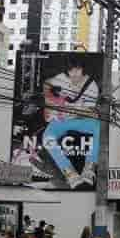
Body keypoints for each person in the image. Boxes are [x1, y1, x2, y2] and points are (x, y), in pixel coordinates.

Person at [41, 58, 100, 189]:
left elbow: (91, 113)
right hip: (61, 121)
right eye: (70, 71)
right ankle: (69, 173)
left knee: (100, 128)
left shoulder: (91, 86)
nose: (74, 74)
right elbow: (46, 84)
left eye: (77, 70)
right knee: (47, 138)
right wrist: (50, 102)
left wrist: (75, 111)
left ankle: (89, 169)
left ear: (83, 69)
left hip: (81, 120)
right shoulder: (60, 78)